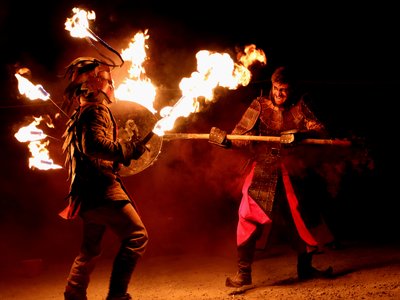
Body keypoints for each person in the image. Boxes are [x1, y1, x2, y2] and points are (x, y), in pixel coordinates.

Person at [209, 66, 334, 288]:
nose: (278, 94)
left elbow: (321, 131)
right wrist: (226, 141)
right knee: (247, 216)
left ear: (291, 90)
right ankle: (243, 273)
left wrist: (300, 135)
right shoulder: (259, 105)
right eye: (276, 88)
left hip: (290, 172)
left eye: (284, 90)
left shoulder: (300, 107)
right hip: (262, 169)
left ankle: (305, 269)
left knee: (301, 218)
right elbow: (241, 136)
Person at [59, 57, 149, 300]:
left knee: (90, 248)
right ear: (96, 84)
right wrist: (127, 148)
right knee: (137, 236)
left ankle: (74, 292)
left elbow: (94, 151)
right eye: (108, 79)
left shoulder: (82, 112)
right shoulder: (95, 110)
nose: (112, 84)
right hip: (102, 189)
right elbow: (94, 145)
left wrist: (127, 151)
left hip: (88, 193)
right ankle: (117, 296)